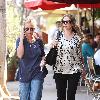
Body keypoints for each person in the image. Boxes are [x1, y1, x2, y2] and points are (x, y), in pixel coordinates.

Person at [51, 14, 83, 100]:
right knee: (61, 97)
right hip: (60, 69)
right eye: (63, 22)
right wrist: (53, 45)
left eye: (67, 22)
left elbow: (80, 54)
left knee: (71, 96)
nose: (64, 24)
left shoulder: (78, 38)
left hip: (74, 69)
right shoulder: (58, 35)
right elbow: (52, 49)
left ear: (72, 23)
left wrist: (83, 69)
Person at [16, 19, 47, 100]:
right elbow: (20, 55)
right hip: (24, 74)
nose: (29, 31)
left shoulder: (39, 41)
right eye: (27, 29)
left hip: (37, 73)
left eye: (32, 29)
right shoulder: (20, 41)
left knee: (35, 97)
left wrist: (43, 61)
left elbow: (42, 55)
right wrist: (22, 39)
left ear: (34, 29)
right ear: (24, 29)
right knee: (24, 98)